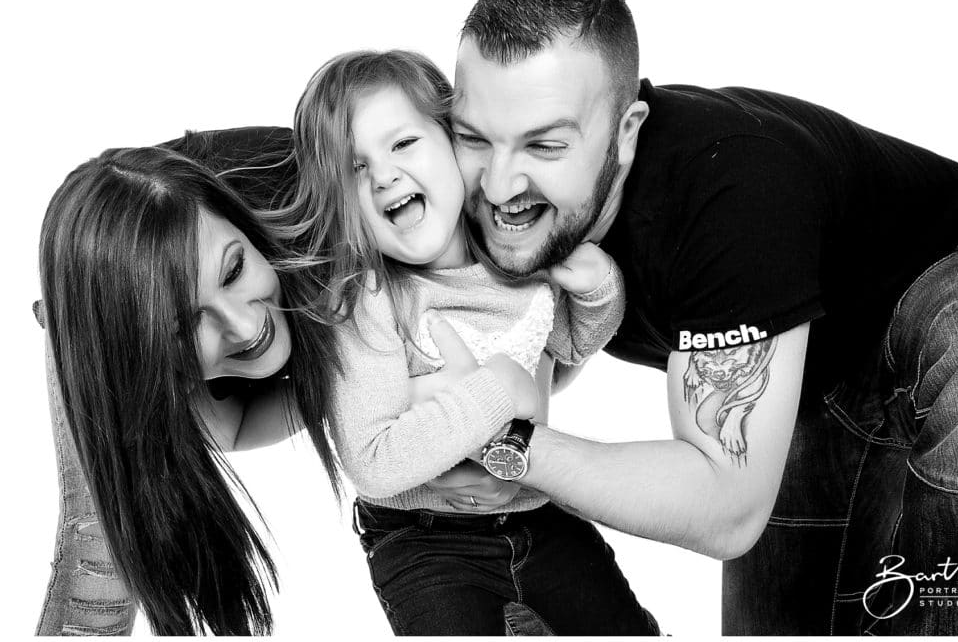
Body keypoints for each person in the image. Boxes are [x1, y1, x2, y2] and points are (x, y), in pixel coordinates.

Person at [434, 0, 958, 636]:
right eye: (475, 136)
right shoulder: (461, 188)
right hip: (808, 377)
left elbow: (724, 506)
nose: (501, 183)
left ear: (625, 134)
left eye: (546, 144)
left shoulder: (729, 194)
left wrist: (512, 448)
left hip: (945, 295)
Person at [288, 48, 658, 636]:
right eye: (354, 168)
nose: (383, 175)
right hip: (426, 540)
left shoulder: (513, 256)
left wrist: (598, 293)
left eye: (403, 144)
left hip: (539, 513)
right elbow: (375, 462)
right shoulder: (370, 297)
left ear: (456, 146)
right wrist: (497, 391)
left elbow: (567, 346)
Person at [35, 139, 345, 635]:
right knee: (102, 555)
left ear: (243, 223)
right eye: (187, 327)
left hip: (188, 202)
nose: (245, 328)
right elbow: (234, 425)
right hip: (93, 323)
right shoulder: (126, 354)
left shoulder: (348, 216)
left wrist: (354, 369)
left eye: (235, 270)